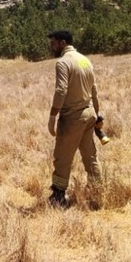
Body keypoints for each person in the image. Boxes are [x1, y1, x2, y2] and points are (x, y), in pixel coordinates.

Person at [46, 30, 103, 208]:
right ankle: (97, 194)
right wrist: (98, 113)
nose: (51, 46)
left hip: (73, 117)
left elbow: (61, 90)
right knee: (90, 157)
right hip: (89, 114)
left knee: (62, 157)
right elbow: (94, 89)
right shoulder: (85, 60)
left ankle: (58, 197)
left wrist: (53, 115)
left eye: (53, 43)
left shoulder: (63, 62)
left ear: (62, 43)